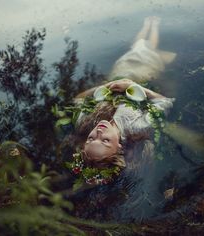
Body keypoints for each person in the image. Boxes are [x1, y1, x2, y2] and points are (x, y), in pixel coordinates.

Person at [69, 17, 176, 180]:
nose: (99, 131)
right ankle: (154, 24)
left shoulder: (86, 122)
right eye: (105, 140)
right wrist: (134, 87)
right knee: (144, 49)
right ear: (119, 147)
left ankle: (147, 24)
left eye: (91, 138)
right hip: (143, 76)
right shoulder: (138, 127)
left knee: (135, 49)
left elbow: (78, 99)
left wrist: (104, 87)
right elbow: (165, 102)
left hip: (117, 75)